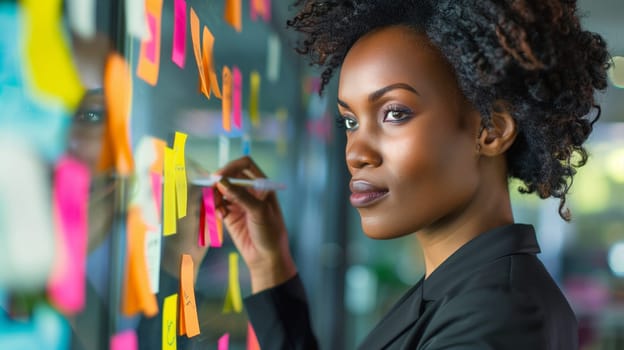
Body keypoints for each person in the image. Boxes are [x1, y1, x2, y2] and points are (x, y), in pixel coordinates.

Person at [213, 0, 610, 349]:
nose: (356, 153)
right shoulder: (461, 289)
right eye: (350, 122)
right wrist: (270, 264)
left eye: (394, 113)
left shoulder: (497, 315)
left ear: (492, 129)